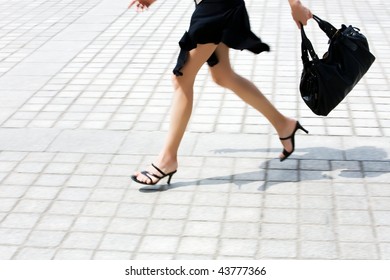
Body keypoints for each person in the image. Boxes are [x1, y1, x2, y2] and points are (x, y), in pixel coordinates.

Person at [129, 0, 312, 185]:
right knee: (223, 75)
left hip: (218, 5)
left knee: (181, 78)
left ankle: (167, 159)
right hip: (215, 6)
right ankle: (284, 125)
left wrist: (295, 4)